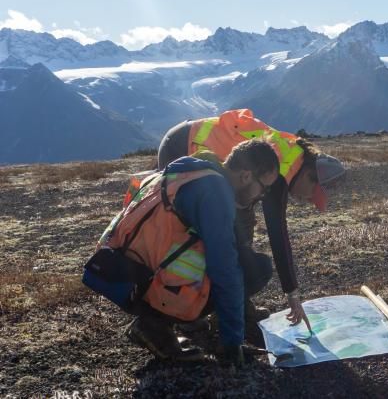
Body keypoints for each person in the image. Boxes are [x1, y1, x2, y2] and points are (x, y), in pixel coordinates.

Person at [156, 109, 346, 345]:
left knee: (240, 233)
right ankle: (176, 314)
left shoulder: (292, 158)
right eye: (311, 195)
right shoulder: (282, 171)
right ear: (308, 174)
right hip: (183, 144)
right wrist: (292, 294)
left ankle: (235, 305)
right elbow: (278, 235)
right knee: (200, 238)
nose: (307, 200)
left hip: (186, 137)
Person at [95, 139, 280, 365]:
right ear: (246, 176)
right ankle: (154, 324)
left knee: (237, 259)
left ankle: (164, 318)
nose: (260, 196)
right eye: (263, 188)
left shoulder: (189, 173)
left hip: (116, 272)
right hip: (143, 285)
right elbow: (224, 267)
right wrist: (232, 341)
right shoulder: (215, 192)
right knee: (256, 268)